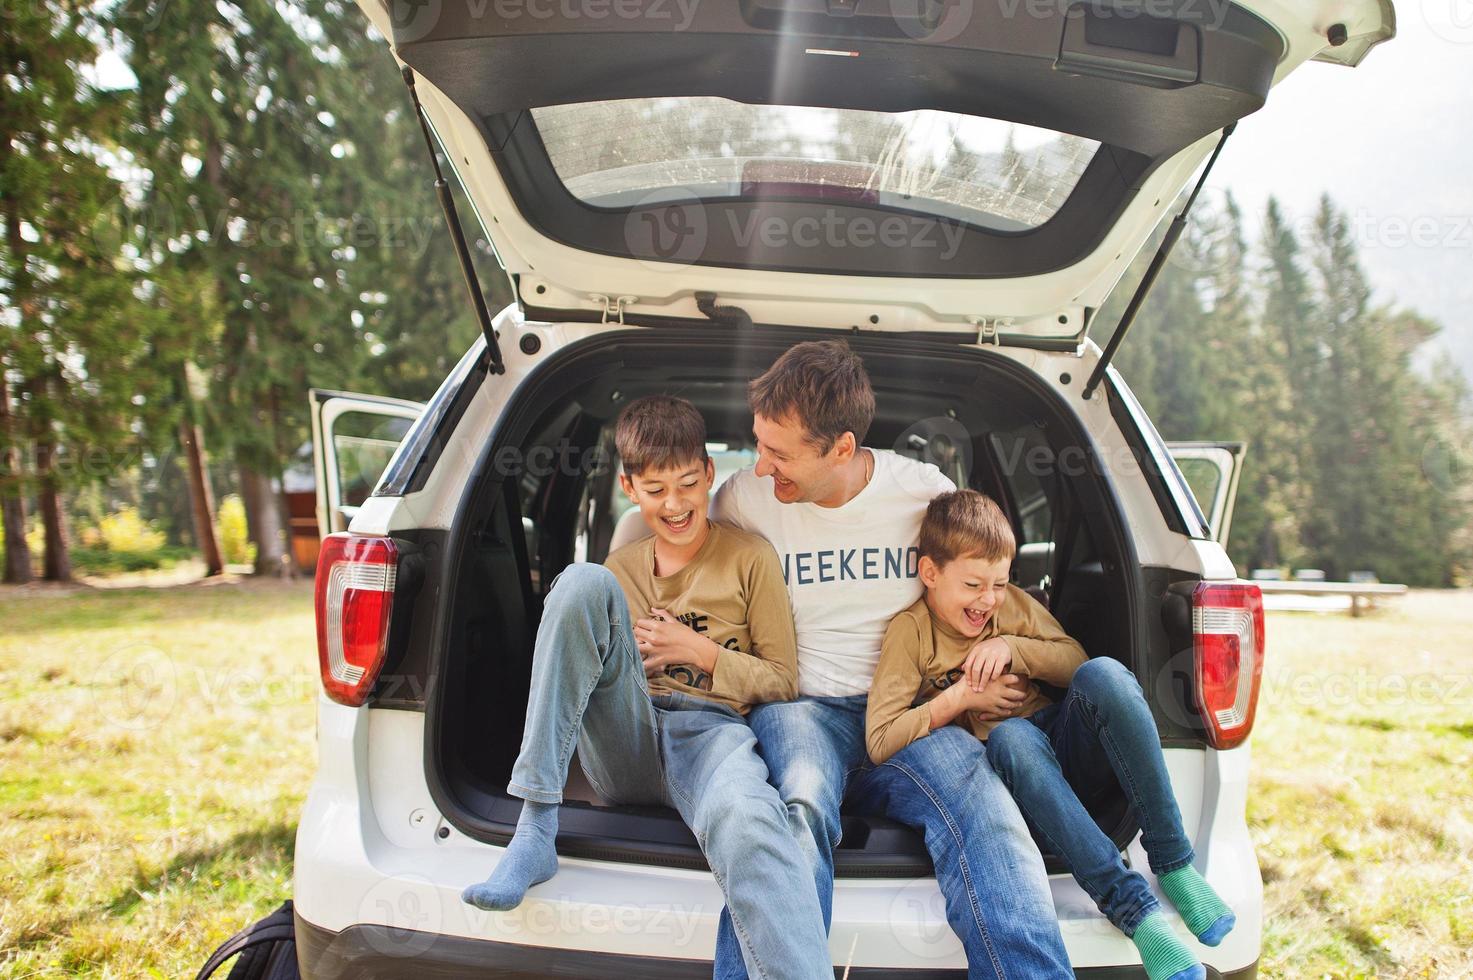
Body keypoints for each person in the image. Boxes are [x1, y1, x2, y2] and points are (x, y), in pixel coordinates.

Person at [709, 341, 1073, 979]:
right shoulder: (742, 500)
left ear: (842, 449)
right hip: (803, 710)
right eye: (758, 443)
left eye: (780, 452)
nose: (762, 465)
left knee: (988, 810)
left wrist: (994, 666)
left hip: (912, 710)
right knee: (798, 804)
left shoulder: (924, 493)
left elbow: (979, 591)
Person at [461, 394, 832, 980]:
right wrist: (623, 657)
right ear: (630, 489)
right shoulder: (620, 572)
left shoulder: (750, 558)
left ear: (710, 473)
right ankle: (535, 828)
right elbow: (593, 673)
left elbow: (782, 679)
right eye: (656, 490)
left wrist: (700, 653)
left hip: (711, 735)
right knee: (580, 582)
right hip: (626, 733)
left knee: (753, 824)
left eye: (688, 484)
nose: (676, 504)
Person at [867, 488, 1234, 980]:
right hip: (1018, 785)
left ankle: (1174, 862)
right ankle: (1136, 912)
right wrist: (960, 699)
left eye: (999, 583)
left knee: (1104, 674)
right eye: (974, 584)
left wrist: (1012, 647)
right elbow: (880, 739)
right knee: (1010, 739)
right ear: (930, 573)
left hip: (1065, 749)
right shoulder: (910, 632)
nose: (988, 599)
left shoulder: (1010, 608)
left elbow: (1074, 663)